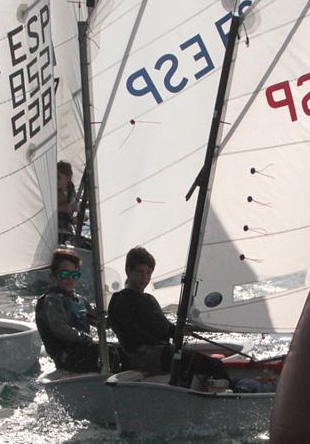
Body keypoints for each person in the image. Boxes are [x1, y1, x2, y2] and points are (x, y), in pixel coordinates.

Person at [107, 246, 230, 388]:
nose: (144, 278)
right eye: (140, 272)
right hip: (149, 357)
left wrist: (179, 329)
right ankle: (236, 393)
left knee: (192, 362)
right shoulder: (131, 300)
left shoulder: (127, 299)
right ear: (128, 271)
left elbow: (159, 327)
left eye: (148, 273)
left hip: (151, 355)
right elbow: (160, 329)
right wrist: (178, 330)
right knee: (214, 364)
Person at [35, 247, 114, 372]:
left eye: (75, 275)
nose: (70, 279)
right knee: (110, 354)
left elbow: (98, 320)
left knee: (117, 350)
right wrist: (87, 339)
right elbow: (59, 329)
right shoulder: (52, 300)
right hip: (67, 357)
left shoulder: (79, 299)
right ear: (53, 276)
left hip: (82, 350)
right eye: (65, 274)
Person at [56, 161, 78, 239]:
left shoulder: (71, 189)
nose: (56, 180)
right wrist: (62, 208)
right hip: (54, 227)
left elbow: (75, 209)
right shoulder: (52, 191)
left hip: (66, 227)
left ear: (68, 177)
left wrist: (75, 217)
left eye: (59, 177)